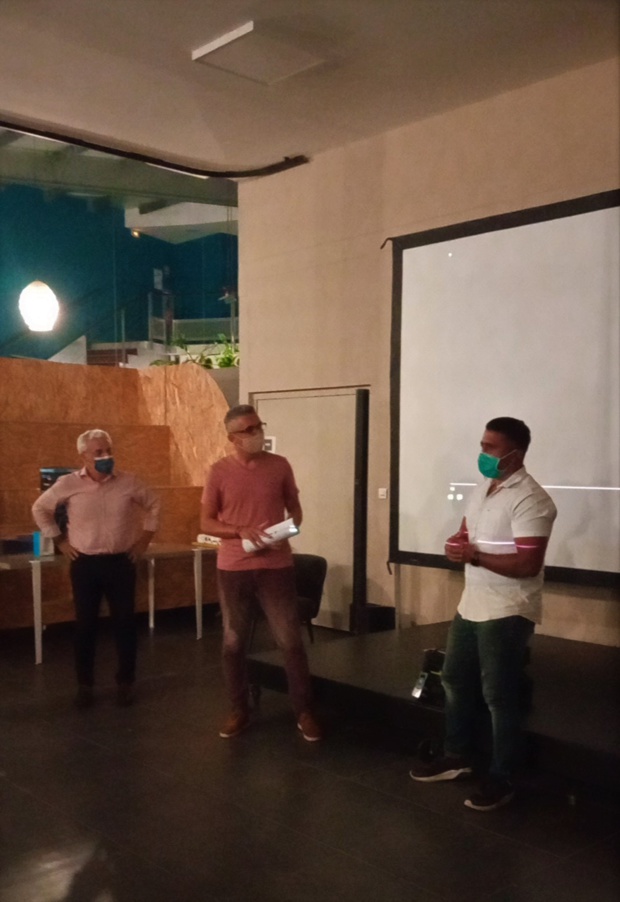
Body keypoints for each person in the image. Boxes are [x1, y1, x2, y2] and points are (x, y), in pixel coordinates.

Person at [410, 417, 557, 811]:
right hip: (471, 604)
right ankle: (457, 756)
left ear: (516, 454)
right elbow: (466, 534)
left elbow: (528, 564)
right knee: (455, 679)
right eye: (482, 445)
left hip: (507, 609)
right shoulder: (482, 490)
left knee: (499, 696)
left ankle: (503, 776)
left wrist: (473, 555)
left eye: (491, 448)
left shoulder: (532, 500)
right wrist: (458, 544)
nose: (483, 453)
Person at [200, 404, 321, 742]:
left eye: (259, 426)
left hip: (276, 565)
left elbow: (295, 508)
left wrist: (288, 528)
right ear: (232, 438)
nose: (257, 434)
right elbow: (205, 522)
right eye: (249, 430)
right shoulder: (219, 472)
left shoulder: (279, 465)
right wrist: (239, 530)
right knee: (233, 642)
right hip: (234, 566)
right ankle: (239, 709)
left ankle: (304, 711)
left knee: (290, 640)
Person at [32, 429, 160, 708]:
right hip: (85, 563)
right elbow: (40, 509)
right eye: (98, 452)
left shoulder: (129, 482)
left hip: (121, 562)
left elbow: (154, 505)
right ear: (84, 456)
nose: (105, 456)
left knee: (125, 623)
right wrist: (59, 540)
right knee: (85, 625)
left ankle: (126, 683)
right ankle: (85, 685)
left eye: (108, 450)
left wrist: (144, 540)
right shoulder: (68, 484)